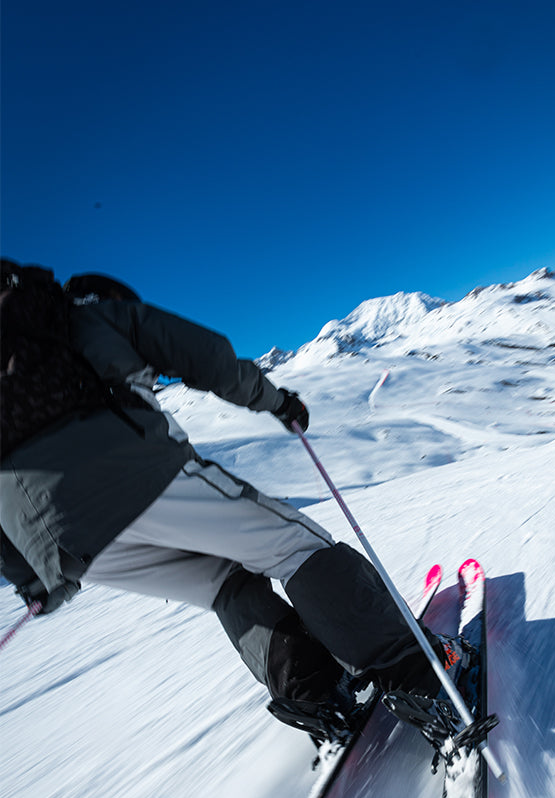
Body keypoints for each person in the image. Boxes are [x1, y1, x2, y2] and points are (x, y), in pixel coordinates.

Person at [0, 261, 446, 741]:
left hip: (62, 547)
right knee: (297, 547)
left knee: (225, 582)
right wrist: (277, 401)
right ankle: (419, 674)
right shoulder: (94, 317)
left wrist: (36, 579)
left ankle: (314, 695)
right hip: (135, 477)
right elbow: (205, 356)